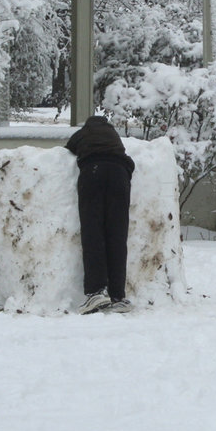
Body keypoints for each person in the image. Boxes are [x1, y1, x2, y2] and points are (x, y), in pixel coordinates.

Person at [66, 116, 136, 314]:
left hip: (93, 174)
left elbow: (69, 147)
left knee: (93, 233)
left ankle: (96, 292)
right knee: (117, 236)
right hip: (120, 176)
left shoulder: (84, 133)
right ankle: (118, 296)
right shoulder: (115, 137)